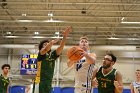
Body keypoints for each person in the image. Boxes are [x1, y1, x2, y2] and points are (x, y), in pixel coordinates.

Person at [34, 26, 72, 93]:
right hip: (40, 82)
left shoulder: (52, 55)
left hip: (49, 82)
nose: (46, 45)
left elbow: (61, 47)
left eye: (47, 44)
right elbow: (46, 49)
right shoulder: (40, 54)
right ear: (41, 47)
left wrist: (65, 36)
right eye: (44, 44)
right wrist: (51, 42)